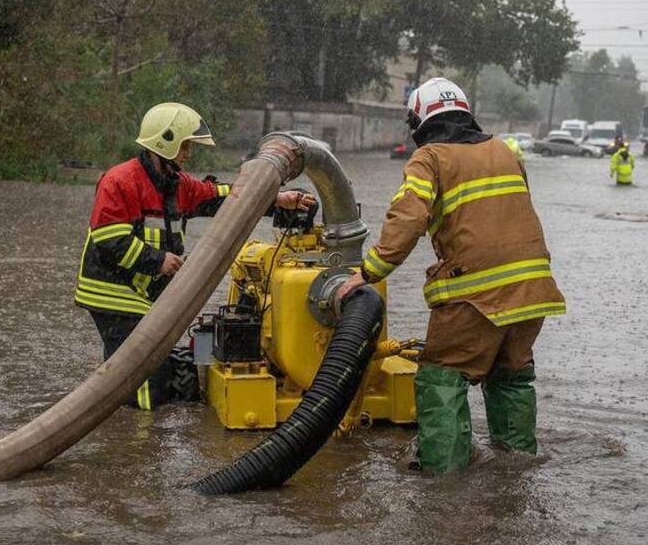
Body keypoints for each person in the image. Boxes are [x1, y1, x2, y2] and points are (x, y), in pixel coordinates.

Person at [336, 78, 565, 474]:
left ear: (420, 121)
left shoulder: (430, 158)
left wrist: (368, 272)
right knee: (511, 378)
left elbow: (408, 218)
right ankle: (517, 470)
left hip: (475, 295)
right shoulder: (505, 151)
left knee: (441, 376)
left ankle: (444, 480)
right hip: (533, 290)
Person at [75, 102, 314, 410]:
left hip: (143, 293)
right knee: (144, 377)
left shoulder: (176, 184)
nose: (188, 153)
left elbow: (224, 198)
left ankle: (117, 413)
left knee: (132, 368)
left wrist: (275, 199)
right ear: (166, 141)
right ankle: (137, 432)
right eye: (185, 145)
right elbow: (110, 240)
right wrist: (159, 261)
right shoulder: (120, 181)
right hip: (113, 294)